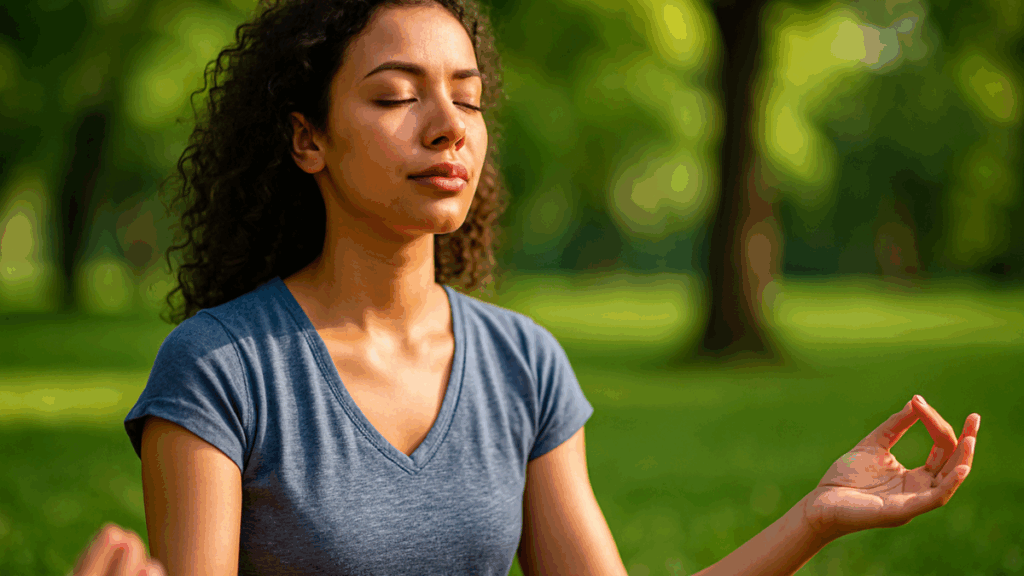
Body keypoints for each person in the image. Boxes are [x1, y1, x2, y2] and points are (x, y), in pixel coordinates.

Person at [71, 0, 981, 574]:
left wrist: (816, 517)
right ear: (308, 140)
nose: (447, 128)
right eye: (396, 97)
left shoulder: (521, 362)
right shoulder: (221, 368)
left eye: (466, 98)